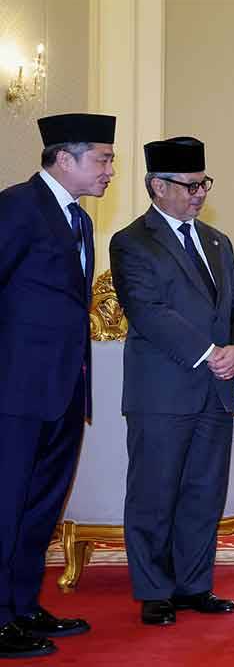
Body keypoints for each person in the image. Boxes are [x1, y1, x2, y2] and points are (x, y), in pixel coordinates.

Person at [109, 137, 234, 626]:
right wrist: (210, 352)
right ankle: (154, 590)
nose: (199, 194)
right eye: (190, 186)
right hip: (163, 392)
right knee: (154, 492)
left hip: (216, 387)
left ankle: (194, 585)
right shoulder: (132, 241)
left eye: (203, 184)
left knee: (203, 490)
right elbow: (149, 313)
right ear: (157, 186)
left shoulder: (217, 240)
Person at [0, 113, 115, 658]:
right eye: (103, 158)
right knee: (6, 503)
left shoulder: (81, 220)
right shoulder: (18, 207)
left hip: (66, 389)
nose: (110, 170)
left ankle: (23, 605)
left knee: (42, 505)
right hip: (14, 392)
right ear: (63, 159)